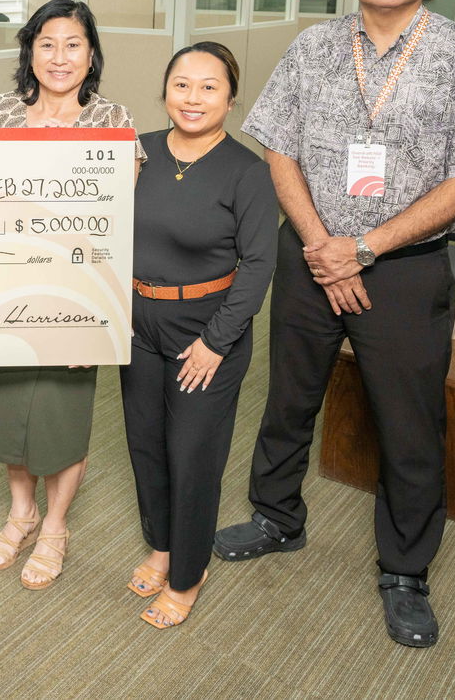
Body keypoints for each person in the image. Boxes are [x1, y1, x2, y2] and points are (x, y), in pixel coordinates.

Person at [213, 0, 455, 648]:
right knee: (288, 399)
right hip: (310, 255)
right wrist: (323, 245)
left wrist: (366, 248)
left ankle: (406, 571)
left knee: (408, 422)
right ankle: (276, 516)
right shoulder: (312, 47)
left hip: (405, 270)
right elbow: (278, 151)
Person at [0, 0, 138, 590]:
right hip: (7, 290)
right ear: (30, 50)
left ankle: (56, 527)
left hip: (77, 297)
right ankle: (21, 512)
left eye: (73, 44)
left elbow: (121, 219)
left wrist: (104, 316)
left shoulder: (113, 120)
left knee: (63, 418)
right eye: (47, 43)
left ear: (91, 53)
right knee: (10, 409)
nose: (59, 57)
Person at [121, 42, 276, 629]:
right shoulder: (135, 152)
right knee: (145, 444)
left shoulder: (247, 171)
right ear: (165, 90)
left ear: (231, 99)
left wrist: (217, 340)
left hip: (205, 333)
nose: (193, 97)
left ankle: (188, 574)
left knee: (192, 456)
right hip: (137, 323)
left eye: (209, 87)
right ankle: (160, 547)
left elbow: (259, 265)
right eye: (182, 84)